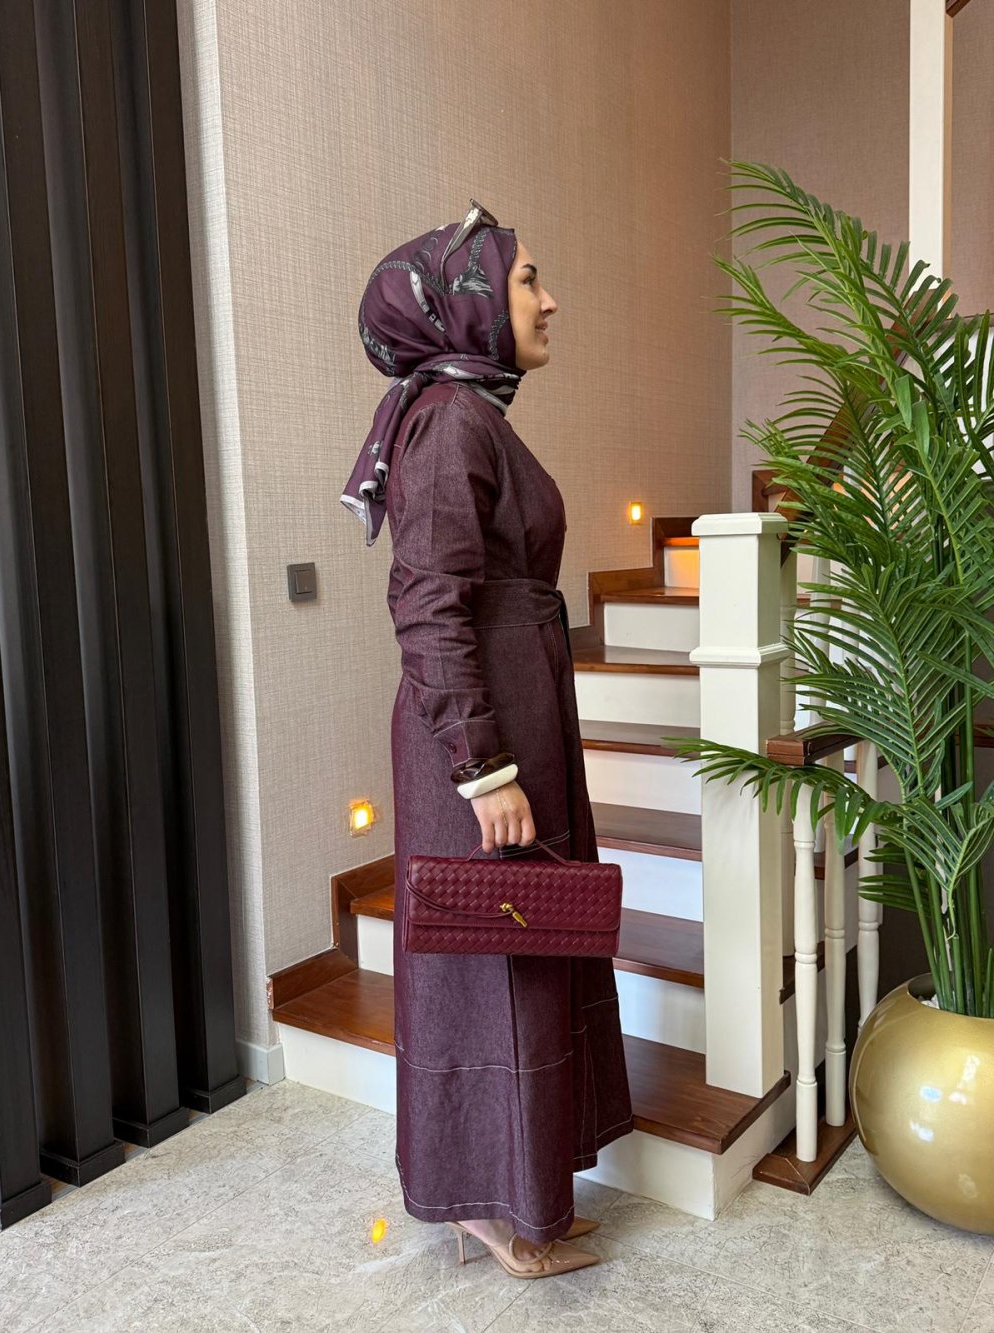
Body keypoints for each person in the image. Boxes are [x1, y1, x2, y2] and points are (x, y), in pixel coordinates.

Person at [341, 200, 634, 1280]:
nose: (550, 300)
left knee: (527, 952)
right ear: (466, 303)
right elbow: (426, 604)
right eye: (527, 281)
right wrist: (482, 768)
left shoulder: (472, 414)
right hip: (485, 740)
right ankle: (493, 1206)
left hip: (515, 715)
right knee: (495, 964)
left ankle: (525, 1193)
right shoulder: (451, 421)